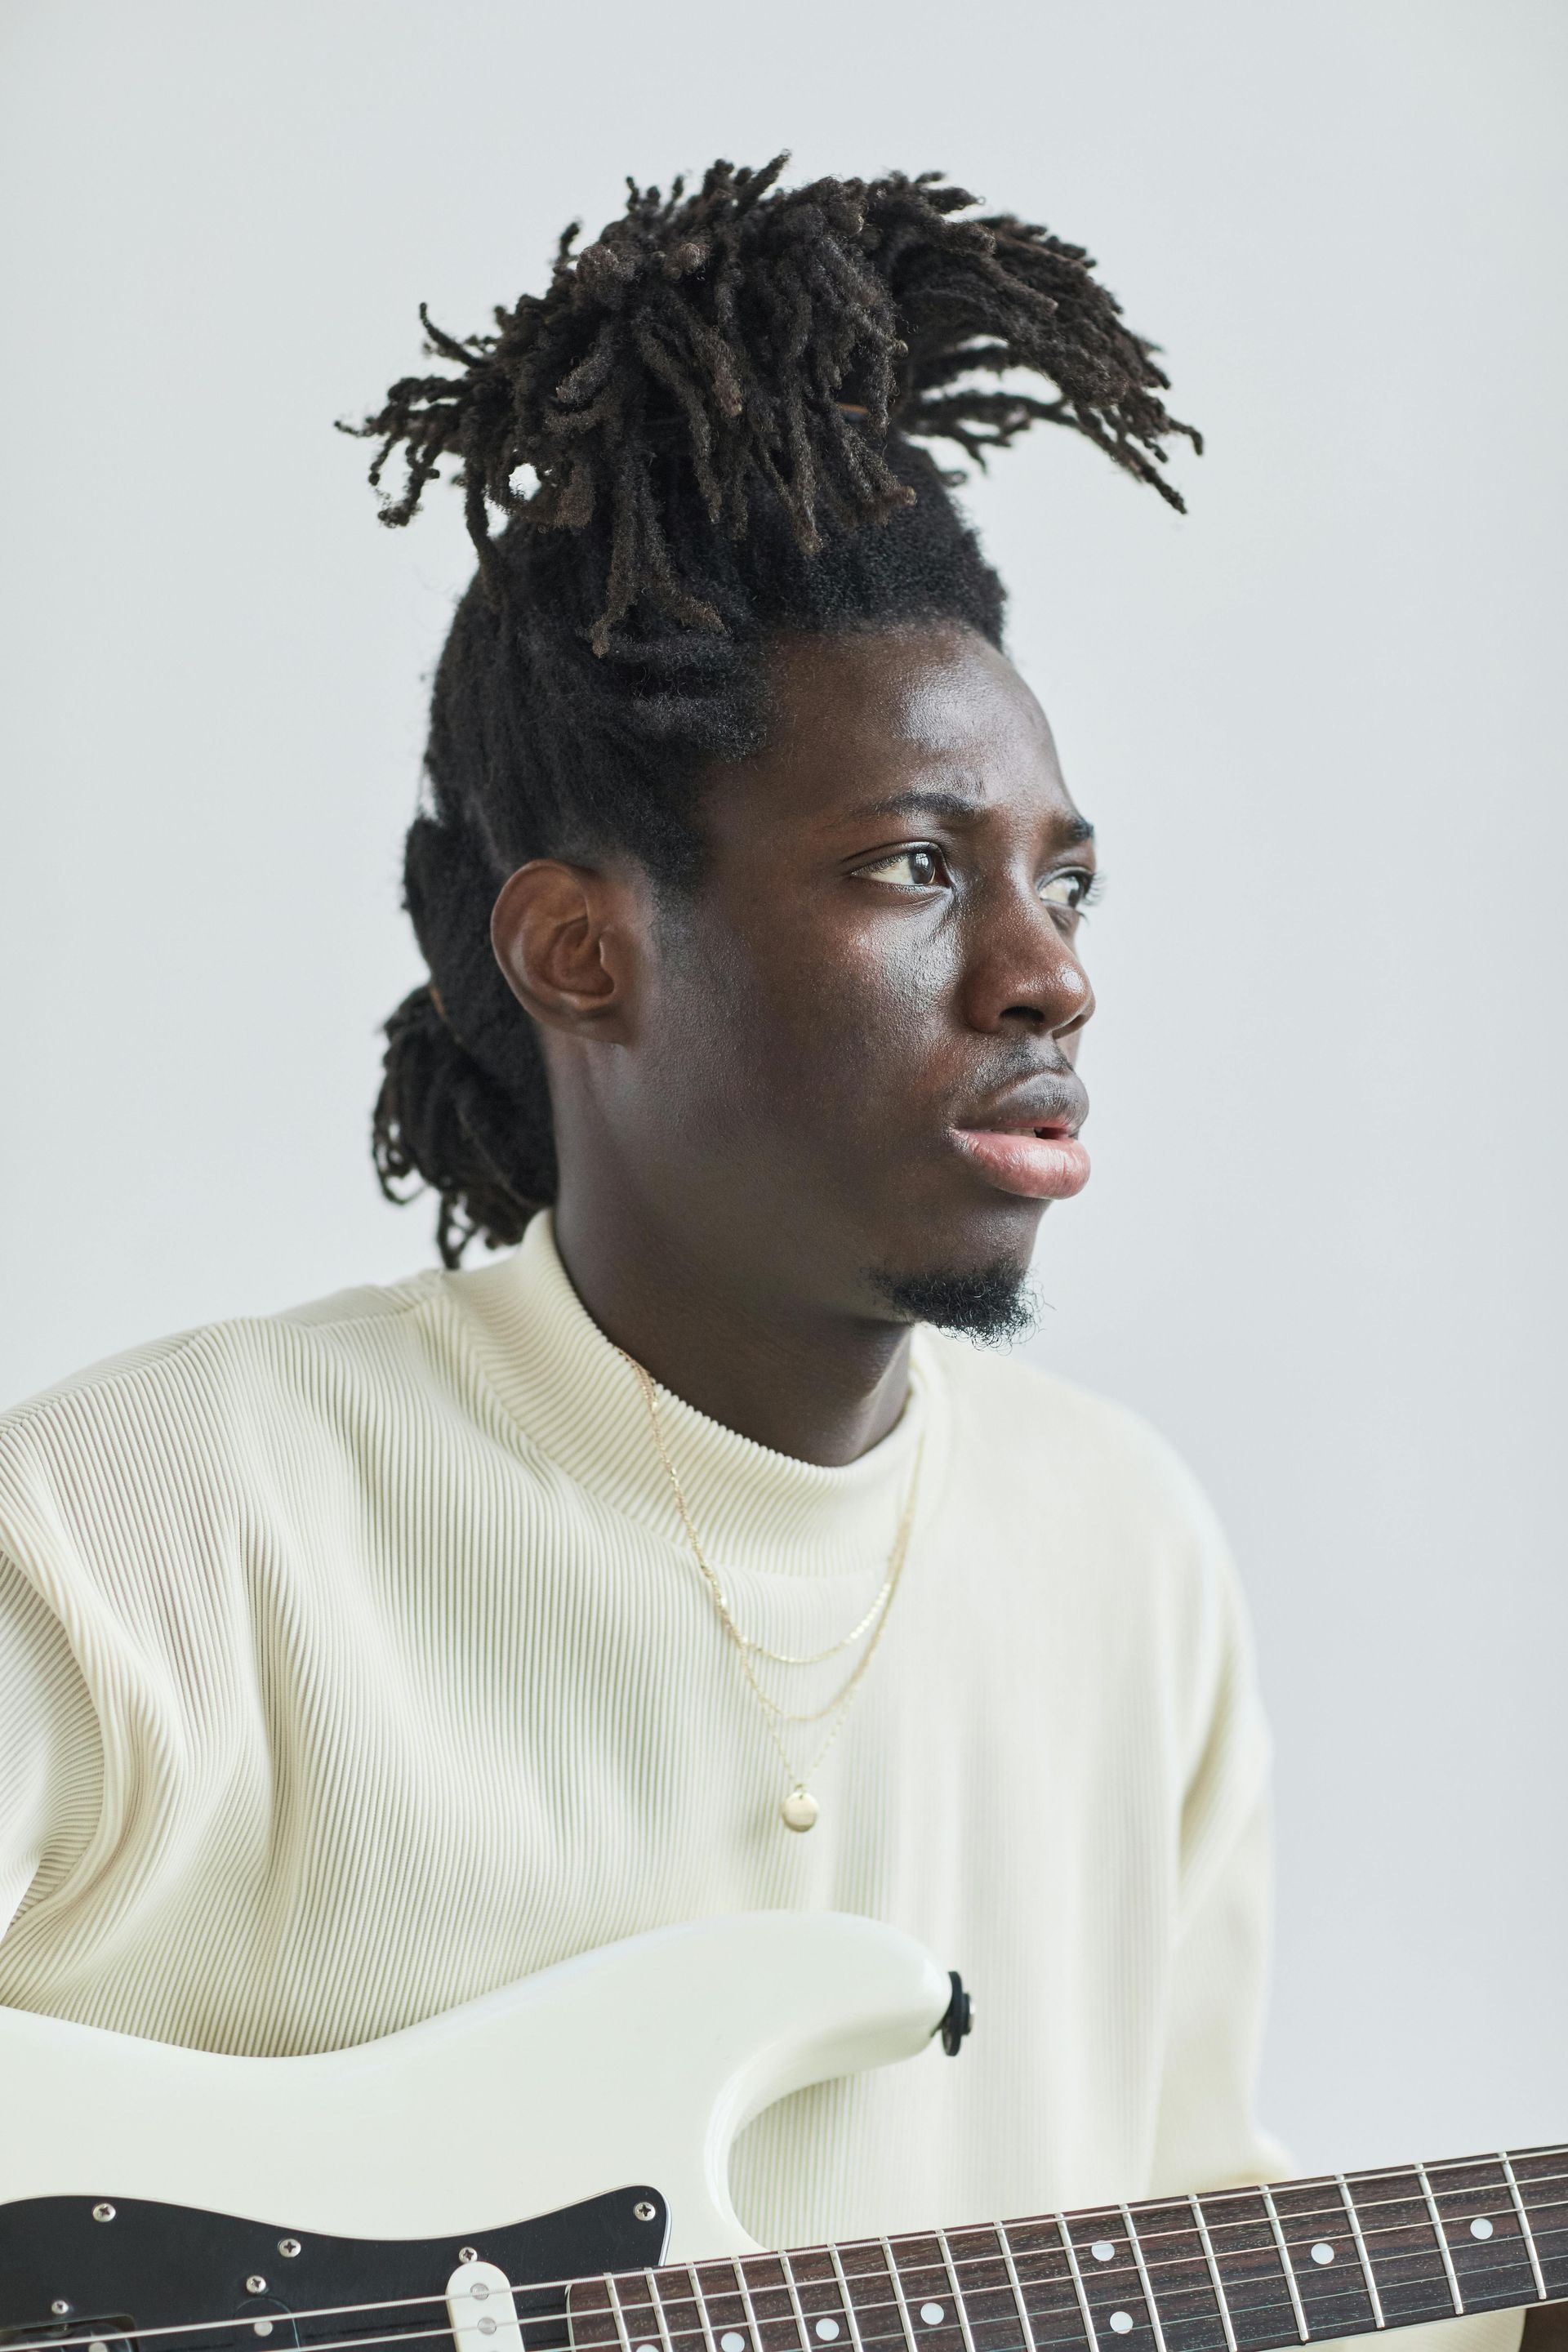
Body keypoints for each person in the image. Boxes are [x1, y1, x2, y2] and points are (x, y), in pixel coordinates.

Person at [0, 157, 1537, 2352]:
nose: (1049, 974)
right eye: (917, 866)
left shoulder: (1122, 1554)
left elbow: (1177, 2210)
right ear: (581, 951)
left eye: (1067, 881)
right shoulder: (146, 1535)